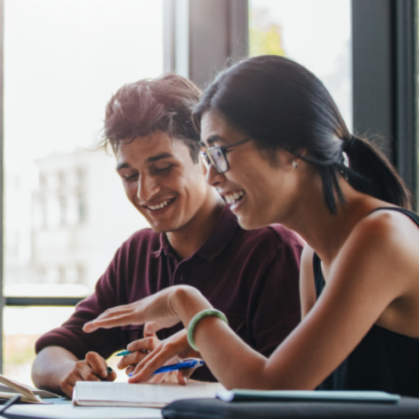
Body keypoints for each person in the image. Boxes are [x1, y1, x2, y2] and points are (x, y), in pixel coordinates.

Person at [84, 55, 419, 396]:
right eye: (208, 157)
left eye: (220, 153)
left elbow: (274, 389)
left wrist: (186, 303)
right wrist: (201, 345)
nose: (212, 176)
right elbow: (303, 399)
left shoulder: (381, 236)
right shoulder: (313, 258)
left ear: (292, 146)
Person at [32, 74, 303, 397]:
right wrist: (69, 372)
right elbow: (51, 352)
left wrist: (185, 375)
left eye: (162, 168)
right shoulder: (137, 253)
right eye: (130, 176)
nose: (145, 191)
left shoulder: (272, 250)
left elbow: (288, 392)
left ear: (205, 159)